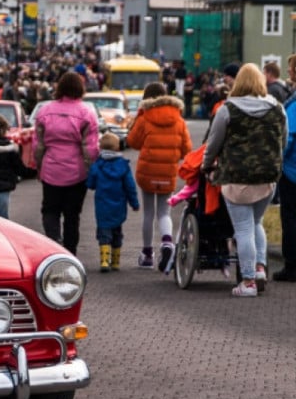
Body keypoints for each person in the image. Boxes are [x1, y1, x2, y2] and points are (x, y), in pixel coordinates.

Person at [202, 63, 287, 297]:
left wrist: (206, 164)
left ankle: (248, 281)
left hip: (236, 177)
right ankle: (260, 268)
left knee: (243, 228)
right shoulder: (277, 108)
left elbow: (213, 143)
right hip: (268, 176)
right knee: (257, 222)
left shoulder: (228, 109)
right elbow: (283, 141)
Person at [126, 81, 191, 272]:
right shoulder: (178, 118)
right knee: (164, 212)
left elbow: (133, 141)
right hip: (168, 171)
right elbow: (186, 149)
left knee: (148, 213)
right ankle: (167, 243)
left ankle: (147, 255)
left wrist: (138, 118)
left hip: (148, 172)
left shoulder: (145, 117)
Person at [33, 70, 99, 255]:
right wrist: (91, 168)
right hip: (77, 172)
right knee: (72, 215)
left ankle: (54, 242)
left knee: (50, 210)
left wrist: (39, 167)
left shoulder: (45, 111)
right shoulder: (86, 113)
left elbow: (38, 145)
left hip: (51, 169)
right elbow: (91, 147)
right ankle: (70, 251)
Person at [87, 131, 140, 272]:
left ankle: (104, 261)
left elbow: (90, 183)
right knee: (117, 231)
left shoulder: (97, 165)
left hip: (102, 205)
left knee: (104, 232)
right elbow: (130, 186)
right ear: (117, 148)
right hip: (119, 205)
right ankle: (116, 262)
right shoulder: (123, 166)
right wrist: (134, 203)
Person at [275, 53, 296, 282]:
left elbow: (288, 138)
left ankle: (291, 266)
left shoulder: (294, 105)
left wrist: (278, 161)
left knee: (290, 219)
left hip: (291, 171)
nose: (288, 72)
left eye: (291, 69)